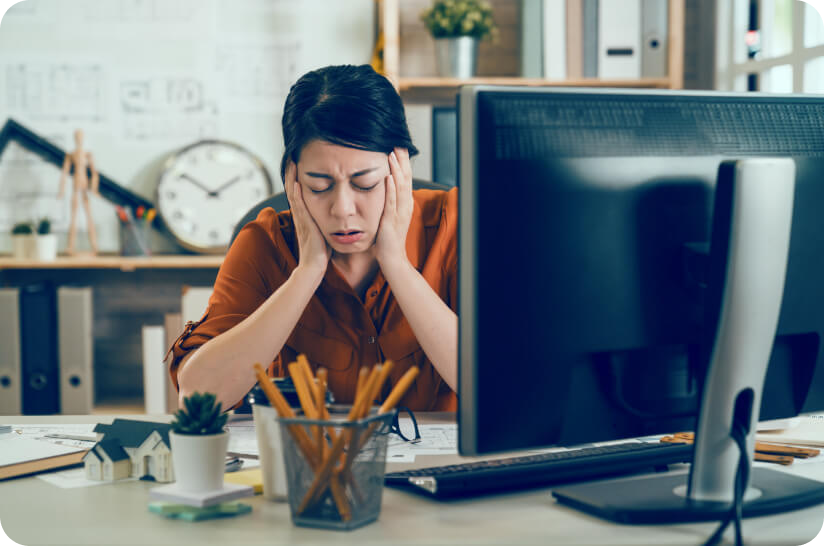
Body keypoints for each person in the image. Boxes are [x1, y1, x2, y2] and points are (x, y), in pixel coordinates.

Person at [169, 64, 458, 412]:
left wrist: (396, 264)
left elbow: (502, 389)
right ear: (293, 178)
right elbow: (198, 397)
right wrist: (306, 272)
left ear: (399, 167)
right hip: (308, 462)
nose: (342, 209)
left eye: (364, 183)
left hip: (444, 465)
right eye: (319, 186)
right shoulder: (266, 243)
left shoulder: (455, 226)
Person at [58, 129, 100, 255]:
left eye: (81, 137)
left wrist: (94, 188)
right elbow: (64, 174)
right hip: (76, 184)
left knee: (89, 215)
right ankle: (70, 246)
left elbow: (94, 173)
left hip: (85, 185)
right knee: (73, 216)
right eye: (77, 137)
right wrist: (61, 190)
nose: (79, 139)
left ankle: (94, 246)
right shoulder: (71, 155)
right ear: (74, 139)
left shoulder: (87, 154)